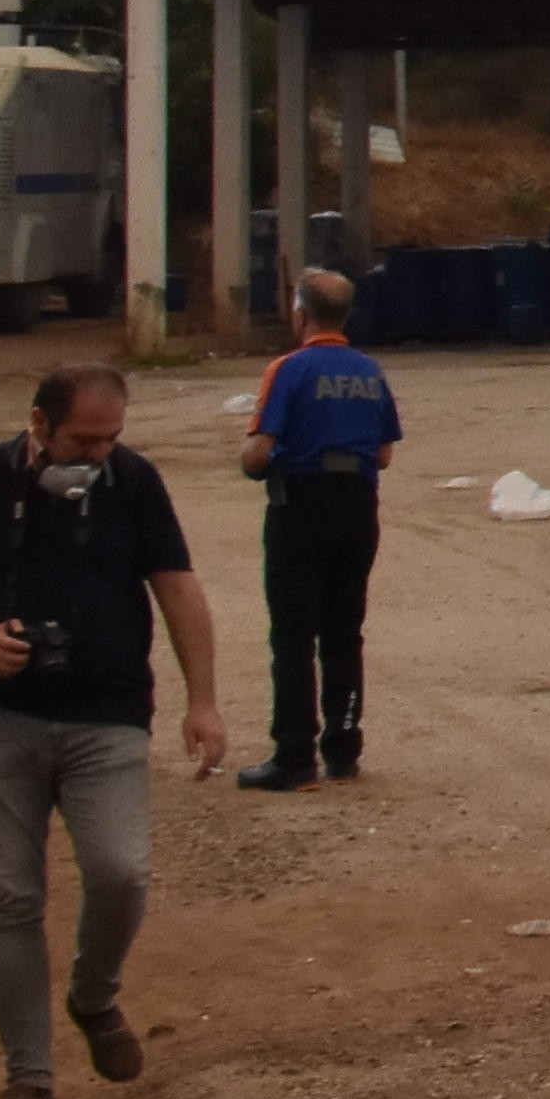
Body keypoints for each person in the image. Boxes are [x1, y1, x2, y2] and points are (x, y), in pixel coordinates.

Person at [0, 362, 224, 1099]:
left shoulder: (133, 482)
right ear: (37, 424)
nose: (98, 454)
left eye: (111, 439)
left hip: (105, 709)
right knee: (11, 896)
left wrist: (202, 700)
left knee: (121, 871)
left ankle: (94, 995)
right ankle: (28, 1078)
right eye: (83, 439)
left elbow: (178, 588)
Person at [233, 268, 406, 791]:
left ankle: (293, 756)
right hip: (357, 508)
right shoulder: (371, 371)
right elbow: (383, 454)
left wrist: (251, 461)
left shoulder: (287, 368)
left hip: (300, 507)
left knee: (292, 635)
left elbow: (259, 450)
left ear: (300, 314)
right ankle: (343, 747)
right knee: (343, 632)